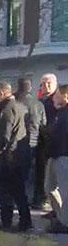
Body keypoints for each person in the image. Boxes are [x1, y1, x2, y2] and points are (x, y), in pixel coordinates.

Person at [0, 81, 32, 231]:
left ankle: (7, 222)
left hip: (8, 157)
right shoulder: (21, 106)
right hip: (20, 154)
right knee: (19, 191)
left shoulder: (7, 109)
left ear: (2, 93)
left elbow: (4, 135)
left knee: (6, 192)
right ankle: (25, 221)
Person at [16, 78, 46, 196]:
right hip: (35, 140)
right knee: (31, 172)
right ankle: (30, 197)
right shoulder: (38, 103)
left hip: (18, 140)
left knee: (17, 171)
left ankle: (18, 197)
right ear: (30, 88)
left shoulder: (15, 102)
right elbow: (43, 123)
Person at [45, 84, 68, 233]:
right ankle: (60, 216)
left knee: (65, 192)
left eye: (57, 94)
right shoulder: (60, 112)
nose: (54, 97)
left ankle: (64, 223)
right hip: (53, 155)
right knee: (49, 188)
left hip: (64, 156)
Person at [34, 74, 59, 209]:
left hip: (52, 143)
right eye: (43, 84)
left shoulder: (56, 100)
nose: (46, 86)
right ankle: (41, 198)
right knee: (40, 173)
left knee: (51, 177)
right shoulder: (40, 101)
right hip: (40, 142)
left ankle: (49, 202)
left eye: (49, 83)